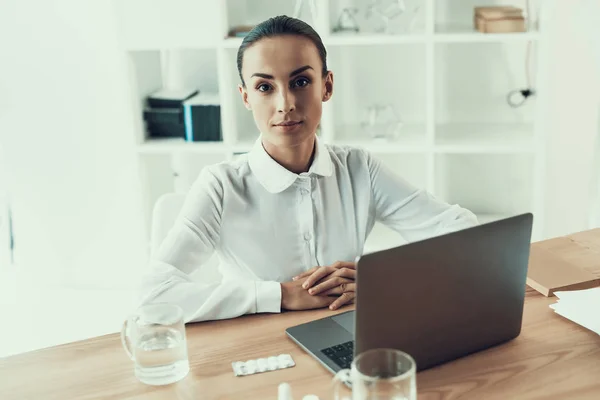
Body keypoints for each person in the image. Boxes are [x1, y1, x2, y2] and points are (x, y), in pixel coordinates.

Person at [138, 15, 478, 323]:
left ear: (326, 86)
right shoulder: (221, 186)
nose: (285, 104)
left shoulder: (359, 168)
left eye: (300, 82)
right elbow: (153, 295)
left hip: (347, 333)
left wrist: (377, 277)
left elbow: (463, 234)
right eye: (264, 87)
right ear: (246, 97)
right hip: (254, 345)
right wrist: (281, 294)